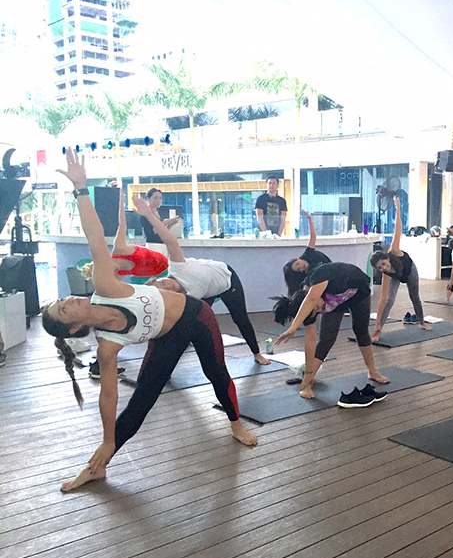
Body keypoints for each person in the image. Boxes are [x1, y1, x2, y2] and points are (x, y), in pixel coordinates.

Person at [43, 149, 257, 493]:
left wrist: (81, 189)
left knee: (216, 371)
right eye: (65, 309)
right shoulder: (108, 347)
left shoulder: (105, 286)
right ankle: (99, 466)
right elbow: (108, 397)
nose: (70, 300)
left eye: (63, 300)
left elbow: (95, 236)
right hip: (167, 335)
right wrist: (106, 440)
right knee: (142, 398)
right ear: (73, 328)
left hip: (195, 314)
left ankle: (235, 424)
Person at [134, 197, 272, 365]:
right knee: (187, 329)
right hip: (206, 292)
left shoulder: (177, 267)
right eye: (162, 288)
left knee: (240, 319)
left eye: (160, 281)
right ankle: (167, 366)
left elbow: (170, 240)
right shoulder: (186, 300)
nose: (165, 282)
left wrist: (148, 213)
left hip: (227, 279)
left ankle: (257, 353)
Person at [272, 261, 389, 401]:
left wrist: (293, 328)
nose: (319, 311)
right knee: (326, 339)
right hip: (335, 300)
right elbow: (310, 343)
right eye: (315, 311)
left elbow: (312, 298)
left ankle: (372, 371)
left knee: (361, 330)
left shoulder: (318, 277)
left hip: (358, 292)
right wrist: (306, 382)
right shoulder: (310, 308)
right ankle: (308, 381)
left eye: (316, 308)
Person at [371, 196, 431, 339]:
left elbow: (397, 230)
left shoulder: (394, 251)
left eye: (384, 264)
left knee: (414, 296)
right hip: (397, 276)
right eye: (380, 268)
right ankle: (379, 331)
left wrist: (398, 210)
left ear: (387, 258)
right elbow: (382, 300)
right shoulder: (386, 274)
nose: (383, 268)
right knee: (389, 300)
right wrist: (377, 326)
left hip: (410, 271)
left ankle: (422, 321)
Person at [283, 210, 331, 294]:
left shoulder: (308, 254)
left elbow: (313, 237)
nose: (301, 266)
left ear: (298, 259)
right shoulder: (308, 276)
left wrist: (310, 220)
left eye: (298, 263)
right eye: (298, 269)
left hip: (332, 270)